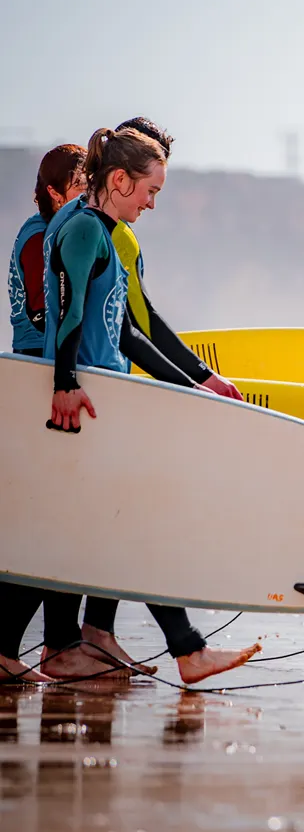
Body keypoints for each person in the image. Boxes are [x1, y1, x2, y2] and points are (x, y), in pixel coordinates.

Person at [41, 126, 261, 684]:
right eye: (149, 190)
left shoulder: (100, 229)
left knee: (90, 531)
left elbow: (123, 329)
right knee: (120, 525)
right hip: (89, 399)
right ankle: (185, 650)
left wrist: (198, 380)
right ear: (119, 179)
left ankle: (174, 648)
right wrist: (64, 381)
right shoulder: (87, 229)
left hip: (101, 395)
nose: (152, 202)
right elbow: (69, 312)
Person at [1, 147, 90, 684]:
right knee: (54, 515)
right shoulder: (42, 234)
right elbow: (43, 311)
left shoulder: (57, 230)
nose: (86, 193)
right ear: (56, 191)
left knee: (66, 514)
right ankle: (17, 647)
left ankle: (61, 642)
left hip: (50, 372)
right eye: (79, 185)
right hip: (40, 373)